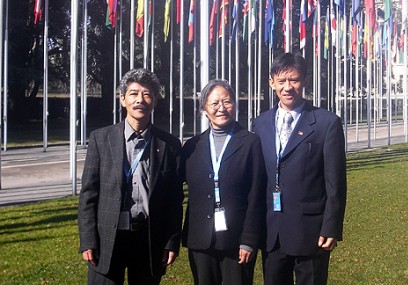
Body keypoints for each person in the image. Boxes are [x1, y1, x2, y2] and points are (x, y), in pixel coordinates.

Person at [78, 68, 183, 285]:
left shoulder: (169, 145)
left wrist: (171, 241)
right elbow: (89, 194)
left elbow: (174, 199)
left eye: (147, 94)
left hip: (148, 238)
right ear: (123, 99)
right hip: (107, 237)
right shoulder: (100, 139)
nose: (140, 100)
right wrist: (88, 239)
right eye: (133, 94)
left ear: (154, 101)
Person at [253, 52, 347, 285]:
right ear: (271, 82)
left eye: (294, 80)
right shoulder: (261, 123)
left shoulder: (327, 123)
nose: (288, 87)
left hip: (312, 232)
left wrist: (331, 226)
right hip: (272, 232)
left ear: (304, 81)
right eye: (282, 81)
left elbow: (335, 182)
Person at [182, 79, 267, 285]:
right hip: (201, 238)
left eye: (227, 102)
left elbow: (257, 194)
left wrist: (249, 240)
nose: (221, 108)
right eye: (215, 103)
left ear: (235, 105)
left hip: (237, 240)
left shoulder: (250, 143)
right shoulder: (192, 147)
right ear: (204, 108)